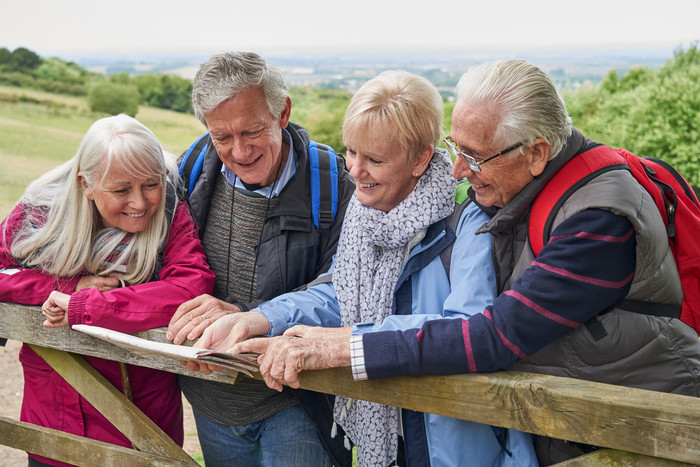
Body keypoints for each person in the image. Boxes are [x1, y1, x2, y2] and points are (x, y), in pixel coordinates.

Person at [230, 59, 700, 464]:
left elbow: (495, 334)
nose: (456, 170)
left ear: (537, 152)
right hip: (576, 420)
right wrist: (266, 317)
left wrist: (344, 347)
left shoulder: (599, 221)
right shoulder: (524, 187)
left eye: (473, 157)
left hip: (650, 427)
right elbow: (342, 290)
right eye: (457, 149)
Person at [192, 70, 538, 467]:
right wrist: (258, 319)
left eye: (374, 159)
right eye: (351, 151)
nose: (355, 171)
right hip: (389, 446)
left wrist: (348, 344)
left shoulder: (467, 223)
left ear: (420, 158)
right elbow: (339, 295)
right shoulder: (363, 216)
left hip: (455, 449)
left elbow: (466, 328)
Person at [164, 51, 355, 466]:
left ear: (282, 112)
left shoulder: (333, 182)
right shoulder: (191, 168)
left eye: (252, 131)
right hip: (212, 400)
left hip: (296, 402)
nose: (239, 151)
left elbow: (345, 290)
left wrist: (248, 315)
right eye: (222, 137)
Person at [0, 114, 215, 467]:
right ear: (86, 184)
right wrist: (64, 285)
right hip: (53, 418)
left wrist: (87, 305)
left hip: (143, 424)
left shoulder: (170, 211)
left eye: (151, 184)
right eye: (120, 190)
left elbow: (189, 286)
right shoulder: (40, 212)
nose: (141, 203)